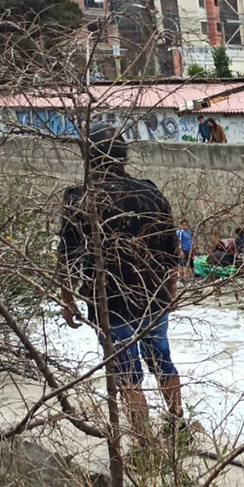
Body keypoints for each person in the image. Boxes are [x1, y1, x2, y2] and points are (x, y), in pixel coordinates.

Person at [58, 127, 182, 439]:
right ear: (124, 156)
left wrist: (67, 298)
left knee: (127, 373)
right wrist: (171, 290)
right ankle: (178, 423)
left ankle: (144, 443)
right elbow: (170, 248)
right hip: (153, 294)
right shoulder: (151, 193)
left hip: (109, 300)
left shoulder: (80, 198)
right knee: (162, 361)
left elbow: (69, 253)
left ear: (90, 158)